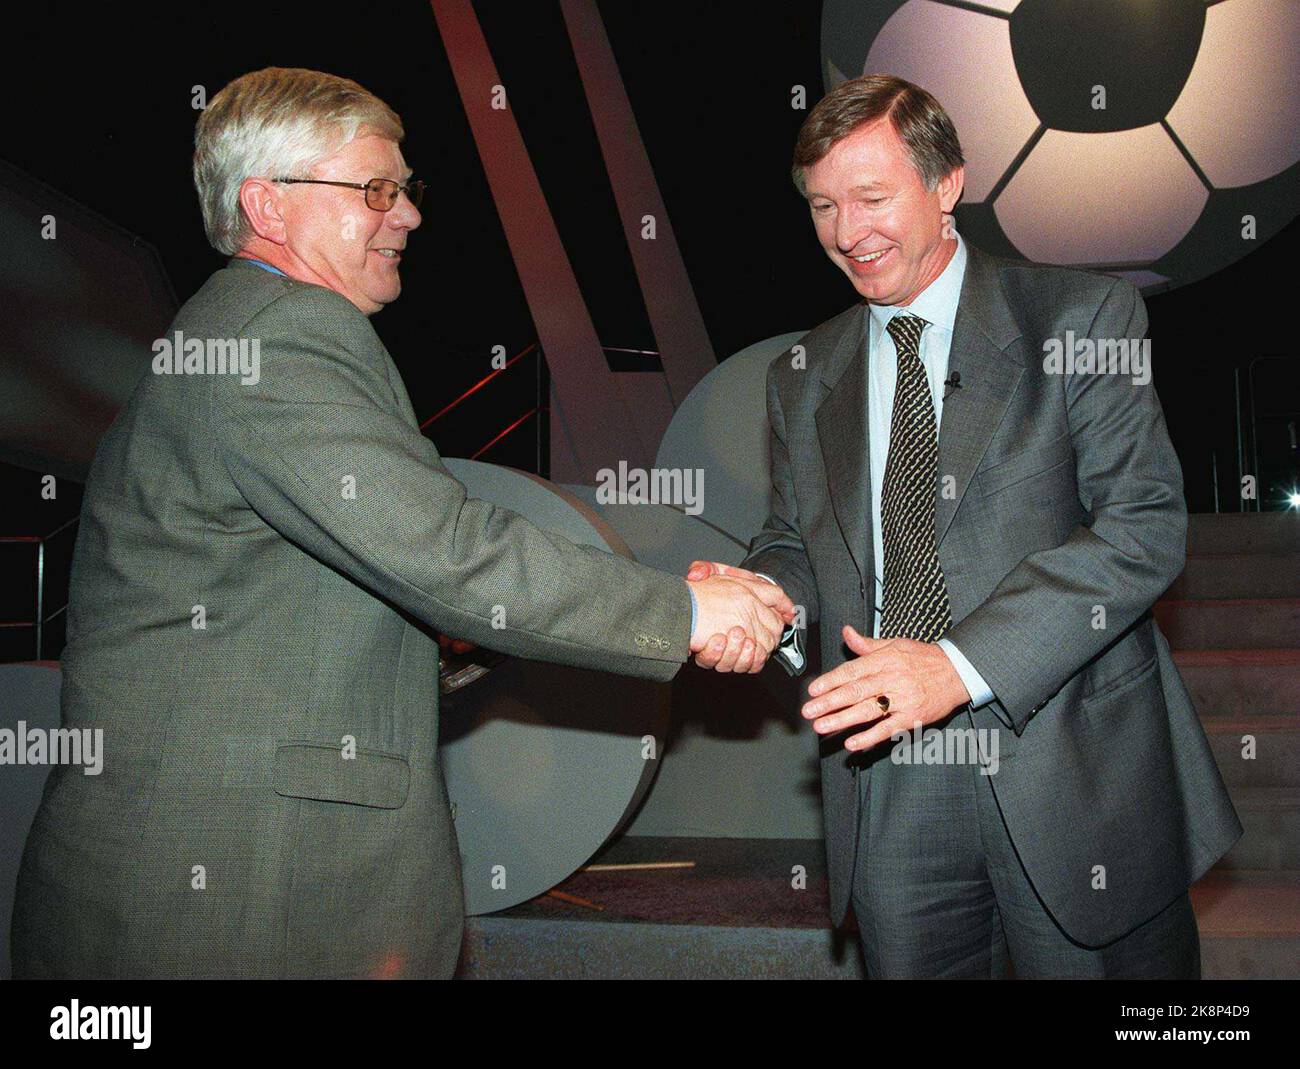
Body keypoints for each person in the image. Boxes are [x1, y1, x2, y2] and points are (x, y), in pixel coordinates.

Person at [10, 67, 793, 979]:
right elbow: (442, 546)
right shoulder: (280, 335)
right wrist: (686, 614)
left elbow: (335, 592)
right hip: (241, 893)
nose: (409, 214)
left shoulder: (240, 333)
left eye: (406, 189)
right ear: (268, 205)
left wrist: (458, 634)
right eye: (376, 189)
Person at [689, 74, 1240, 978]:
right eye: (824, 205)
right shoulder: (802, 371)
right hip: (890, 778)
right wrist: (766, 594)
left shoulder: (1081, 317)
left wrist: (956, 665)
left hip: (1071, 764)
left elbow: (1142, 529)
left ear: (947, 186)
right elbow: (798, 537)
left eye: (872, 196)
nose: (847, 231)